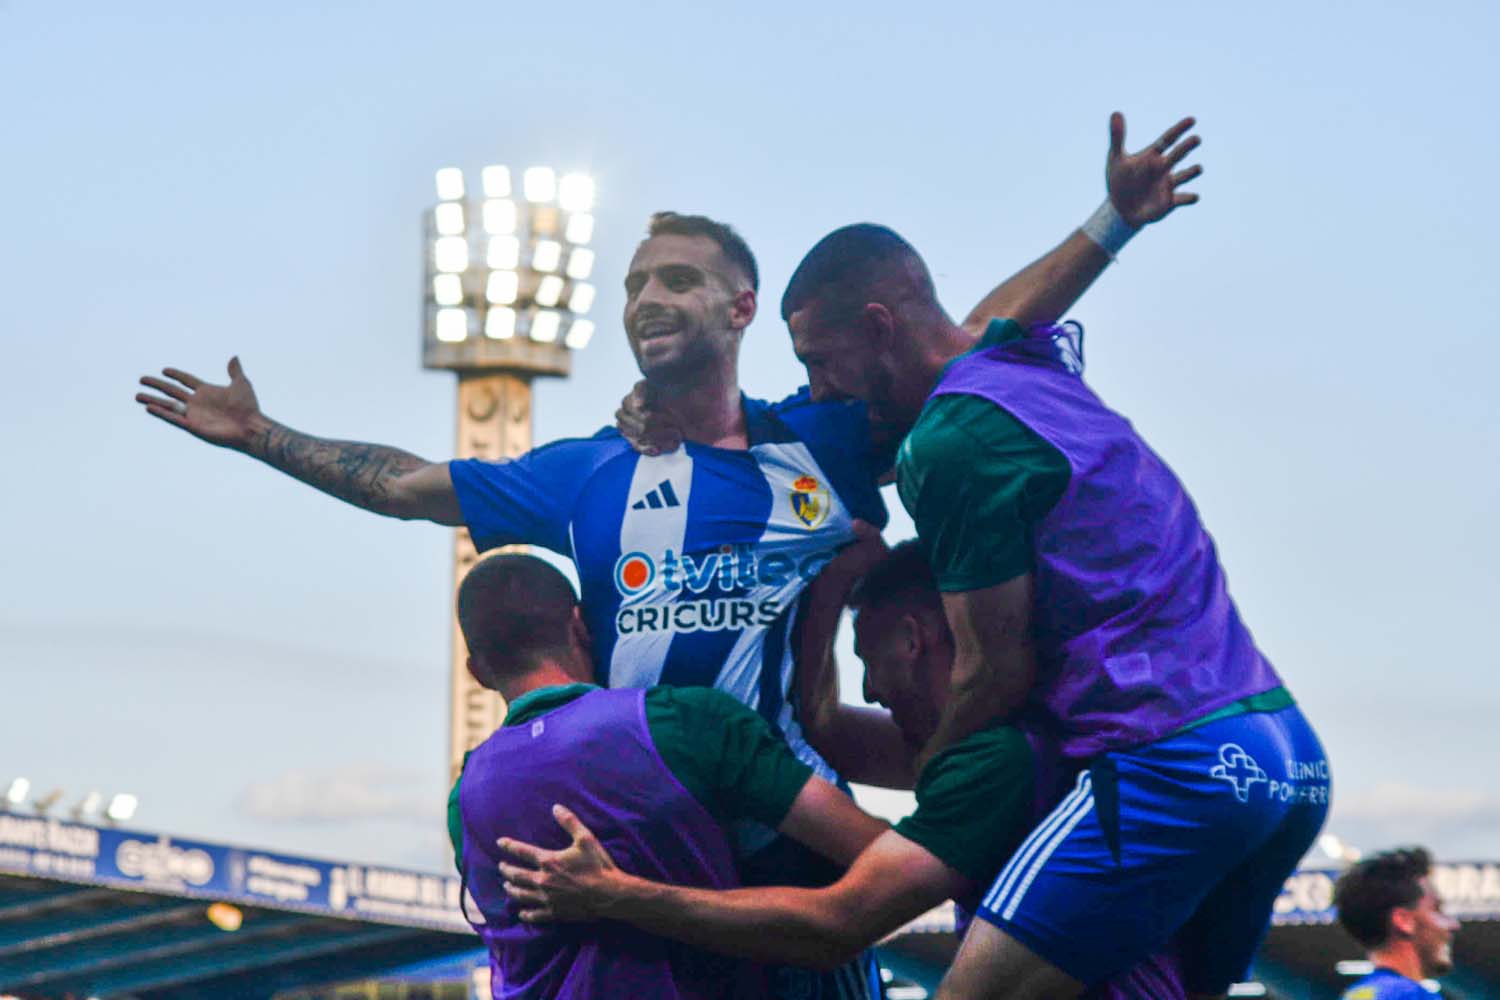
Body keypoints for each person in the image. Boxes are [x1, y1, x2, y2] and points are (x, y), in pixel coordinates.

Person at [134, 112, 1202, 998]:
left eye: (679, 279)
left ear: (741, 309)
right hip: (641, 850)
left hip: (795, 849)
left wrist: (1110, 223)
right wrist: (261, 435)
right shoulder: (587, 472)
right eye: (637, 284)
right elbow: (409, 487)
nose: (648, 298)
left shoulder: (822, 443)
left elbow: (960, 344)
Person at [771, 173, 1331, 993]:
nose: (821, 389)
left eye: (819, 362)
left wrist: (944, 792)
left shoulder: (949, 443)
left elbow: (993, 671)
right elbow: (991, 313)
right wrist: (1113, 222)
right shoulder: (1015, 361)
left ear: (879, 327)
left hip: (1170, 761)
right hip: (1283, 754)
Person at [495, 536, 1184, 999]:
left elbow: (837, 925)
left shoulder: (996, 761)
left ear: (912, 640)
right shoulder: (1026, 739)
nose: (873, 692)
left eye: (868, 661)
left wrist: (615, 893)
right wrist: (829, 588)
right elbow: (825, 727)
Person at [449, 551, 888, 998]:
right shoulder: (684, 723)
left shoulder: (464, 800)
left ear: (478, 672)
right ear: (580, 625)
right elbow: (881, 855)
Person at [1333, 848, 1460, 999]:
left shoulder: (1357, 994)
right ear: (1403, 921)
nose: (1454, 925)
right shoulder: (1413, 995)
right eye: (1437, 910)